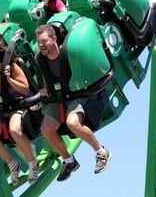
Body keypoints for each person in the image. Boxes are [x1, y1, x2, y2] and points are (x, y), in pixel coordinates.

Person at [35, 24, 111, 182]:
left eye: (44, 41)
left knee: (73, 123)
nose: (41, 45)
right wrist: (45, 89)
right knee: (46, 129)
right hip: (59, 96)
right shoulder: (40, 58)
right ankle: (69, 161)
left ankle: (101, 152)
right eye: (39, 42)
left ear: (54, 39)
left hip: (77, 93)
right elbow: (46, 76)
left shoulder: (67, 53)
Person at [0, 29, 39, 185]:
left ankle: (33, 162)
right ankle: (13, 163)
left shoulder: (12, 67)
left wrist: (9, 79)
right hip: (3, 107)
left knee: (14, 129)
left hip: (21, 103)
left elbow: (25, 89)